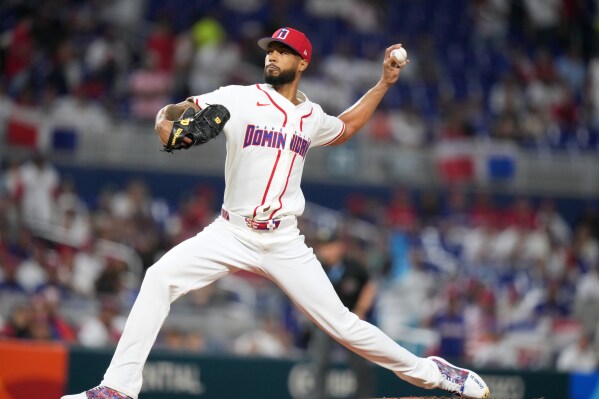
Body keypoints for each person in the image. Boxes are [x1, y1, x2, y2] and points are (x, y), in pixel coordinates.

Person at [62, 27, 490, 399]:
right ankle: (118, 388)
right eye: (270, 49)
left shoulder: (310, 116)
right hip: (230, 232)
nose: (272, 54)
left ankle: (436, 374)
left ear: (302, 62)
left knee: (342, 325)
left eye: (282, 51)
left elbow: (346, 128)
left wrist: (383, 83)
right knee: (159, 277)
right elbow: (173, 113)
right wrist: (167, 125)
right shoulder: (238, 98)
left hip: (284, 240)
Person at [309, 228, 377, 399]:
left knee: (358, 364)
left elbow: (370, 286)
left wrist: (361, 309)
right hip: (324, 321)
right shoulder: (315, 267)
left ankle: (364, 397)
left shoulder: (353, 266)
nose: (324, 250)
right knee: (320, 362)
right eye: (322, 246)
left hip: (350, 320)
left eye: (329, 245)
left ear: (339, 246)